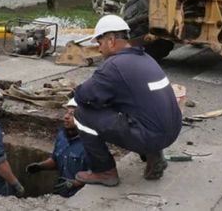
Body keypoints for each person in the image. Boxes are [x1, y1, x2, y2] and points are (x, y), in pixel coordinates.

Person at [71, 15, 182, 187]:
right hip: (172, 131)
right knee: (138, 109)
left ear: (111, 40)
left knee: (81, 115)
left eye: (100, 43)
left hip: (151, 135)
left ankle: (104, 171)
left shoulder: (114, 65)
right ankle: (154, 155)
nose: (99, 50)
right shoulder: (146, 58)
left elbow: (83, 96)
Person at [25, 98, 88, 197]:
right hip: (60, 193)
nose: (66, 117)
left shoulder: (91, 143)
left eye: (72, 114)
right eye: (66, 113)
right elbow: (57, 160)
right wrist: (40, 166)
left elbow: (98, 175)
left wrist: (75, 183)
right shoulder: (62, 135)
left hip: (80, 198)